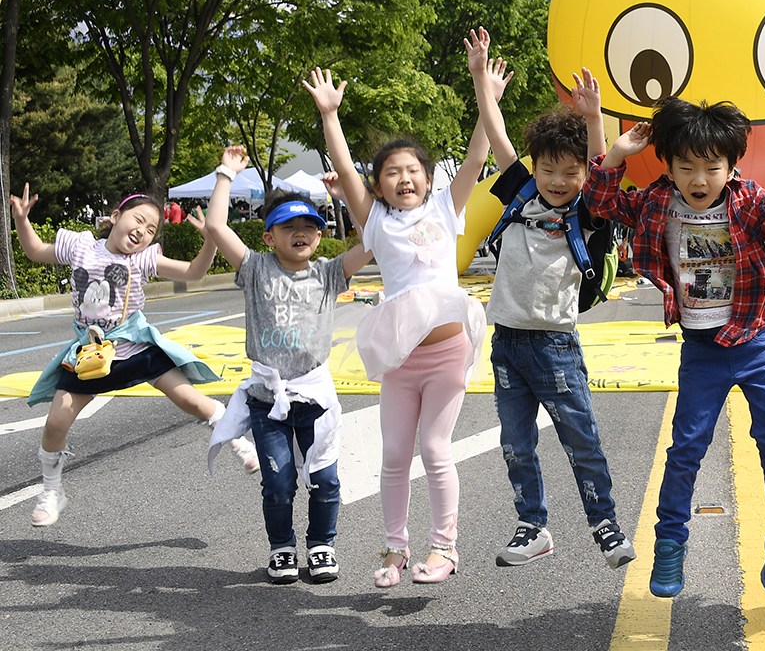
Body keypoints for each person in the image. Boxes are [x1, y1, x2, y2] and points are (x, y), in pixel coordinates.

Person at [583, 96, 765, 598]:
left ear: (731, 168)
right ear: (670, 166)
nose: (699, 180)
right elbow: (600, 204)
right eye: (687, 167)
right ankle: (669, 545)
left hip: (754, 341)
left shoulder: (747, 200)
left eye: (712, 167)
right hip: (702, 348)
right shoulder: (659, 203)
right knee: (686, 450)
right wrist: (616, 154)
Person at [303, 46, 491, 588]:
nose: (403, 177)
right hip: (401, 358)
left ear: (428, 179)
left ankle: (445, 548)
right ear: (379, 184)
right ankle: (394, 550)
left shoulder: (443, 209)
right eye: (392, 172)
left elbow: (478, 155)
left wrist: (482, 85)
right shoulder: (376, 222)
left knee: (434, 449)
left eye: (412, 170)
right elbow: (343, 166)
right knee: (393, 455)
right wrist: (330, 115)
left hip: (448, 351)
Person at [470, 28, 636, 571]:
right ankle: (532, 526)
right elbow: (498, 140)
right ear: (534, 168)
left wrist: (593, 119)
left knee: (579, 439)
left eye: (571, 171)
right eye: (549, 169)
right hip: (507, 345)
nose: (559, 180)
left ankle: (605, 525)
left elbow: (605, 166)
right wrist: (480, 81)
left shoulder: (586, 209)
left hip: (555, 345)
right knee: (516, 444)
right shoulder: (519, 192)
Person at [11, 186, 255, 528]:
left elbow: (193, 273)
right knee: (55, 423)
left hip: (136, 348)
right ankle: (52, 490)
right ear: (115, 217)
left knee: (193, 401)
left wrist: (210, 241)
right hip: (91, 354)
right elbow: (35, 251)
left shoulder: (142, 258)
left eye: (151, 229)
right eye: (138, 220)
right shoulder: (80, 246)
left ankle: (239, 439)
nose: (142, 231)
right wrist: (22, 220)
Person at [203, 147, 372, 584]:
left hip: (314, 398)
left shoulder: (329, 273)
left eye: (309, 227)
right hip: (267, 401)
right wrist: (226, 173)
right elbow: (216, 226)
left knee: (326, 479)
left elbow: (372, 240)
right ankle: (282, 548)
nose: (301, 233)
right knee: (278, 485)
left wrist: (348, 196)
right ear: (268, 237)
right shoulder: (255, 269)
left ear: (320, 235)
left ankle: (321, 545)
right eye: (288, 226)